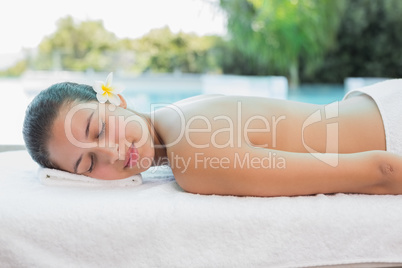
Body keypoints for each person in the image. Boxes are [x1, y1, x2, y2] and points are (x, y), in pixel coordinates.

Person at [23, 74, 402, 197]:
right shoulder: (183, 112)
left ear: (115, 99)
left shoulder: (195, 154)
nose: (111, 152)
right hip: (378, 101)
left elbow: (381, 171)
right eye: (88, 164)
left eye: (98, 129)